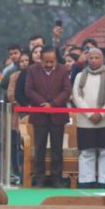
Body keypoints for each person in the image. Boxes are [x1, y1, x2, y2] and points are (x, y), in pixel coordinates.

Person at [24, 46, 71, 188]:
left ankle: (57, 178)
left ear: (56, 59)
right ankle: (39, 179)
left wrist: (53, 104)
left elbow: (67, 90)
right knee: (40, 148)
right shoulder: (32, 70)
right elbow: (28, 89)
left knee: (57, 149)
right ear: (41, 59)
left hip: (58, 115)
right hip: (39, 115)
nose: (49, 65)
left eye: (52, 62)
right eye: (46, 62)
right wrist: (42, 104)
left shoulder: (63, 70)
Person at [72, 46, 105, 187]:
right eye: (91, 58)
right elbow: (76, 96)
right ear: (87, 59)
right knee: (86, 151)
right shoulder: (80, 76)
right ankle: (86, 180)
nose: (94, 60)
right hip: (86, 120)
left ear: (102, 59)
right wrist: (90, 114)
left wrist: (101, 113)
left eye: (97, 57)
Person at [5, 44, 44, 183]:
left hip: (43, 113)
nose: (38, 55)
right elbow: (17, 94)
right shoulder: (22, 74)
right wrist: (28, 106)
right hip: (25, 114)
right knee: (22, 144)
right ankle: (23, 174)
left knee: (40, 144)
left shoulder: (45, 71)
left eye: (41, 52)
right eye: (35, 52)